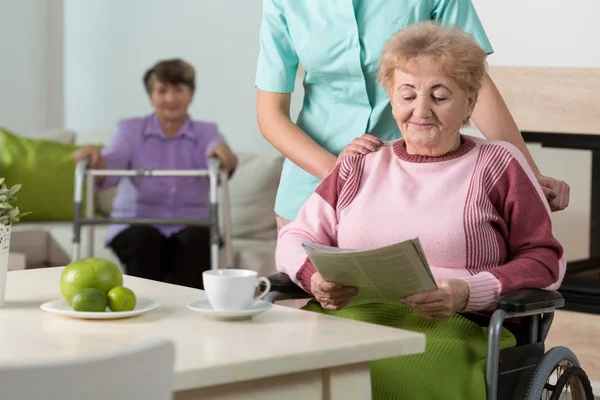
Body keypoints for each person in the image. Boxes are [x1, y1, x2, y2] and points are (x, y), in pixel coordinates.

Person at [275, 22, 566, 400]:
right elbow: (295, 236)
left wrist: (466, 292)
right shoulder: (359, 164)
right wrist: (314, 277)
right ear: (392, 100)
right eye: (407, 95)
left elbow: (543, 259)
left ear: (470, 102)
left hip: (455, 325)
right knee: (272, 370)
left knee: (386, 377)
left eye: (439, 96)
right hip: (346, 318)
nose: (420, 111)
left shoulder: (498, 164)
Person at [255, 0, 570, 231]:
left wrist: (528, 173)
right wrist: (340, 174)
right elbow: (271, 116)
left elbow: (473, 81)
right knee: (315, 316)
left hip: (418, 188)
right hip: (312, 191)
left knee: (411, 314)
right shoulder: (284, 3)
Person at [74, 58, 237, 289]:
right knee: (145, 241)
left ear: (191, 95)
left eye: (178, 90)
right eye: (162, 91)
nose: (170, 98)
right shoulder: (129, 130)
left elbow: (223, 159)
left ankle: (185, 316)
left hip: (192, 225)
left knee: (197, 241)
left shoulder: (207, 132)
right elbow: (108, 170)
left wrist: (225, 156)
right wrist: (95, 159)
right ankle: (142, 312)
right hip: (135, 225)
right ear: (151, 97)